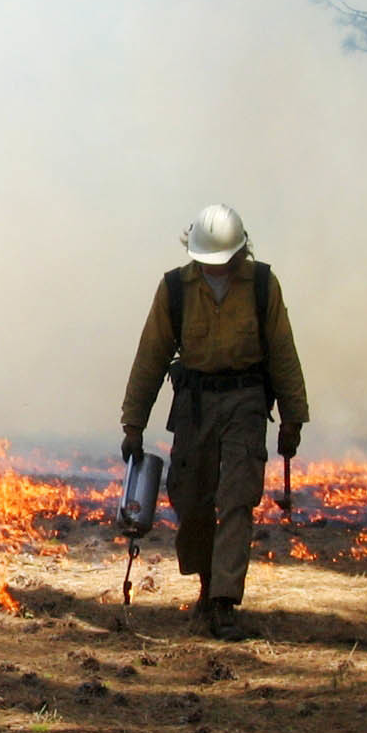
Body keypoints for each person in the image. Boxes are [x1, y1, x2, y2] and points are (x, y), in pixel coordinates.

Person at [119, 204, 309, 640]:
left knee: (238, 498)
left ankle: (225, 601)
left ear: (241, 253)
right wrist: (134, 423)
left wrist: (292, 419)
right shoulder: (175, 289)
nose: (216, 270)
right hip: (194, 406)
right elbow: (150, 356)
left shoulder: (262, 285)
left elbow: (282, 352)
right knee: (192, 499)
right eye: (208, 263)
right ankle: (207, 584)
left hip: (245, 404)